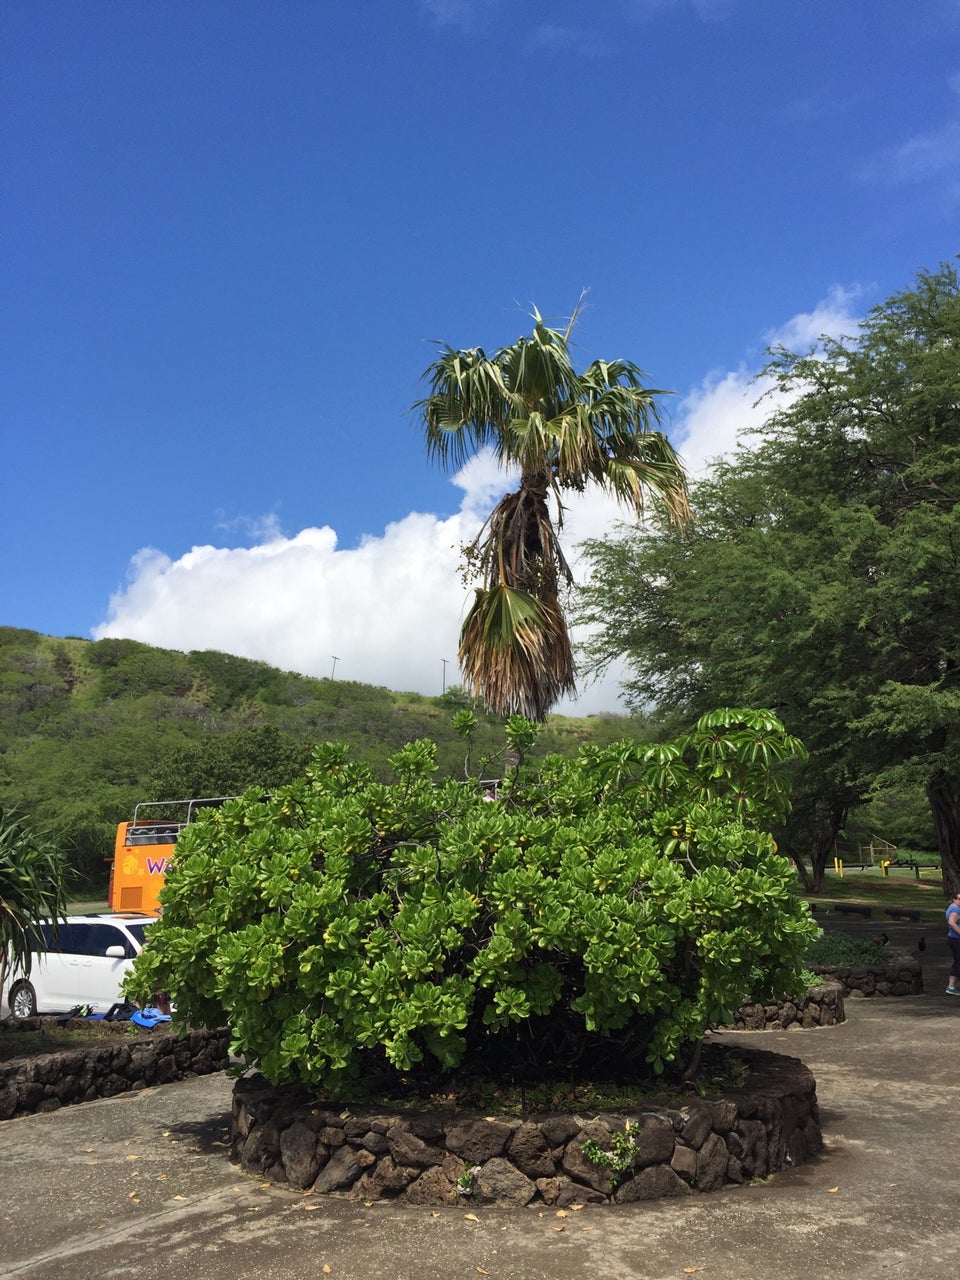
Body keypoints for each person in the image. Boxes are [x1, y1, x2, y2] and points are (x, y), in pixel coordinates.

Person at [946, 892, 960, 995]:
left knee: (957, 962)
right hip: (956, 939)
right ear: (954, 899)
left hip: (953, 939)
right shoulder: (955, 909)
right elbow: (951, 922)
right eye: (959, 899)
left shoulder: (951, 907)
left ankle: (952, 986)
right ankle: (951, 986)